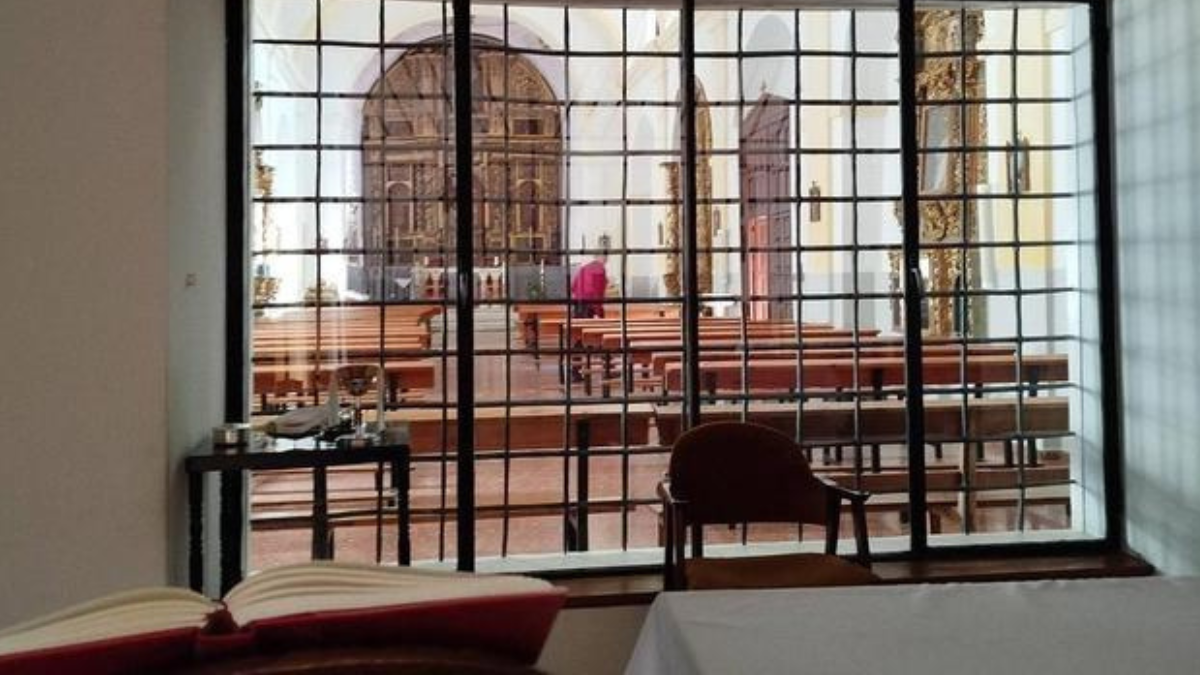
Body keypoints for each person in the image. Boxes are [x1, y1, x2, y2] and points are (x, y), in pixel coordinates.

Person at [570, 252, 608, 319]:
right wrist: (598, 310)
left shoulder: (584, 268)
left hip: (578, 303)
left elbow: (573, 287)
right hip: (590, 305)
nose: (606, 259)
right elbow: (598, 291)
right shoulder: (600, 269)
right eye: (604, 257)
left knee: (578, 323)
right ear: (596, 257)